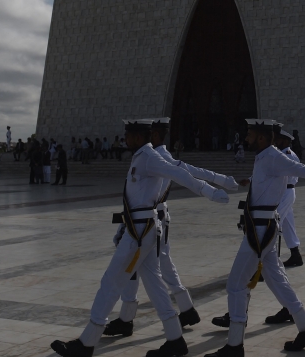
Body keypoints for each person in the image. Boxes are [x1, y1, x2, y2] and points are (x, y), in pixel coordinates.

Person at [51, 119, 231, 357]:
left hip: (140, 233)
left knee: (111, 281)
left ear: (138, 137)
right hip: (138, 229)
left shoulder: (149, 157)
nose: (125, 140)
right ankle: (175, 338)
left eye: (128, 135)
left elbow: (181, 174)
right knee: (154, 283)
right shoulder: (140, 157)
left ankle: (86, 342)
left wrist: (213, 192)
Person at [202, 119, 305, 357]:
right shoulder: (264, 156)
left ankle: (234, 346)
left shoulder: (275, 157)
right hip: (260, 227)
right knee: (277, 280)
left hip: (261, 230)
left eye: (250, 134)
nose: (246, 138)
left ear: (262, 138)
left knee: (235, 284)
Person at [103, 119, 240, 340]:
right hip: (148, 219)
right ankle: (179, 311)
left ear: (154, 136)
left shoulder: (157, 157)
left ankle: (134, 319)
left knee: (149, 267)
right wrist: (220, 181)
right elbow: (192, 171)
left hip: (150, 221)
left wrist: (216, 186)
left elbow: (188, 172)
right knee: (152, 267)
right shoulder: (150, 156)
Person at [275, 128, 304, 269]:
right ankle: (295, 256)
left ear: (286, 141)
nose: (276, 141)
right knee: (287, 225)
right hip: (284, 191)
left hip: (285, 192)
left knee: (273, 223)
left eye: (279, 139)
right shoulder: (283, 154)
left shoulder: (287, 155)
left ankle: (269, 260)